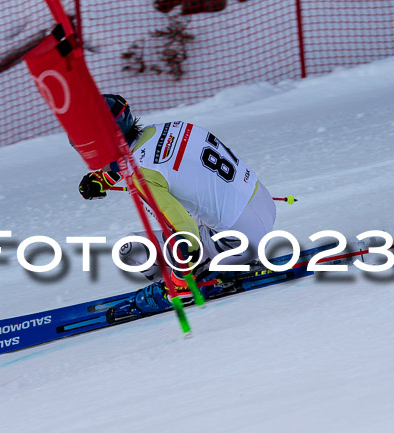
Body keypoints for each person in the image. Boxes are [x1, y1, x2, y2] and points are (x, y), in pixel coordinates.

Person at [78, 94, 276, 310]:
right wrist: (107, 177)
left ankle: (189, 283)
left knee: (130, 249)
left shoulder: (142, 176)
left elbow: (186, 236)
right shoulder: (171, 128)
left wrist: (179, 283)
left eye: (90, 148)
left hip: (238, 242)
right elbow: (157, 162)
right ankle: (207, 268)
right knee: (193, 206)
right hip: (262, 206)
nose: (89, 157)